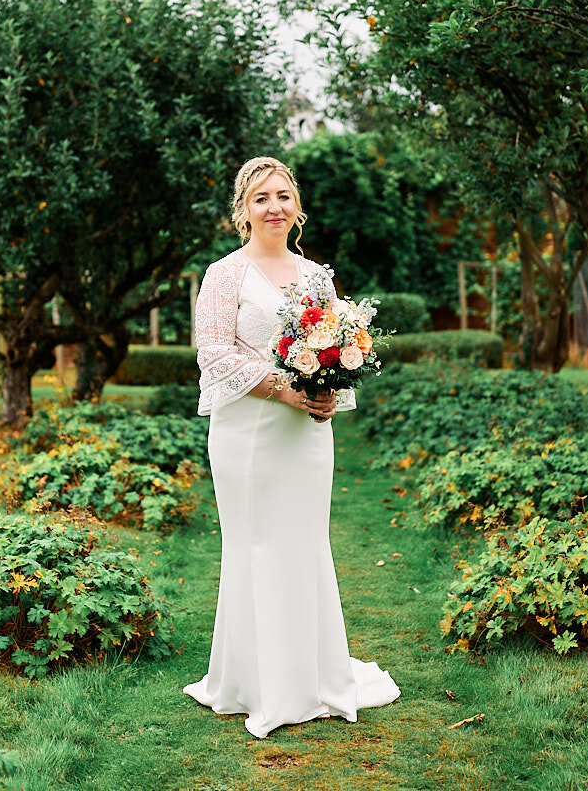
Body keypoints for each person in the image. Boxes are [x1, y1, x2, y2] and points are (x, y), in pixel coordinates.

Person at [183, 155, 400, 739]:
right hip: (247, 433)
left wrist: (329, 392)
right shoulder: (223, 274)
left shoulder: (316, 276)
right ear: (243, 211)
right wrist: (281, 387)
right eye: (261, 198)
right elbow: (214, 353)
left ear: (296, 206)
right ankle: (254, 684)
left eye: (283, 195)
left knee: (304, 545)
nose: (274, 206)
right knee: (255, 546)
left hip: (306, 434)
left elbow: (336, 343)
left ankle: (311, 678)